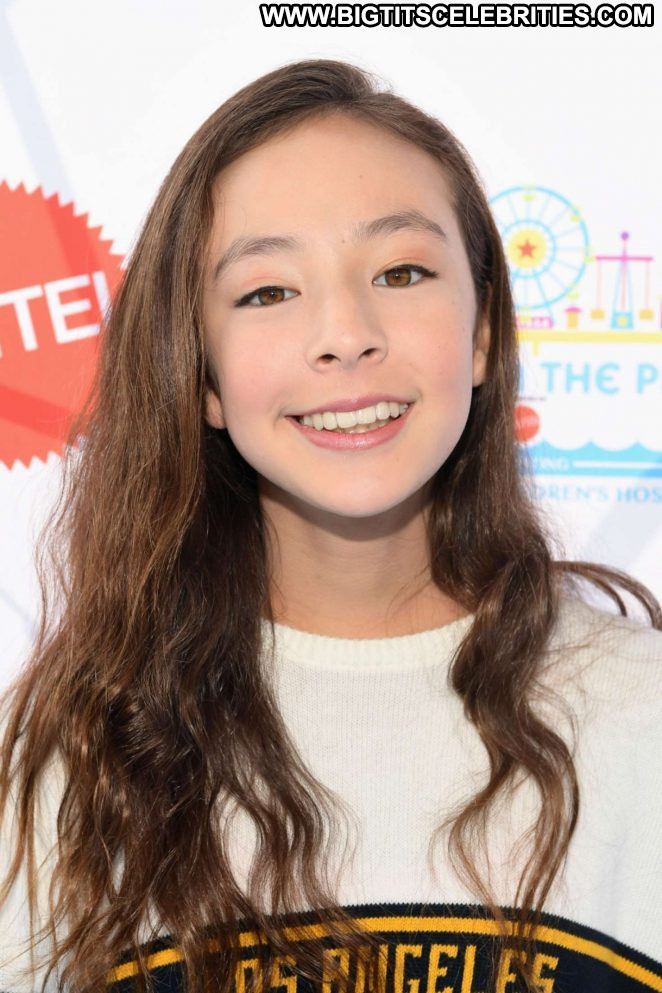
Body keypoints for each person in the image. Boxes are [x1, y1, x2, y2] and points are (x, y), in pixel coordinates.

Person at [1, 58, 661, 993]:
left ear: (481, 332)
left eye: (401, 271)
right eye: (268, 291)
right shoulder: (71, 759)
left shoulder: (644, 719)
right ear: (201, 375)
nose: (347, 334)